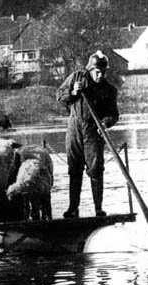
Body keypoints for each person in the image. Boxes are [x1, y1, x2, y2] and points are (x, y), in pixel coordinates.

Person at [56, 50, 119, 218]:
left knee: (96, 169)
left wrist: (105, 123)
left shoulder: (109, 90)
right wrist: (73, 92)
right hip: (74, 129)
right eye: (98, 72)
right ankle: (72, 208)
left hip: (94, 132)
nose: (100, 75)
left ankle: (98, 209)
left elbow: (114, 114)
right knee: (74, 169)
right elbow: (60, 95)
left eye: (103, 72)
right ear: (90, 70)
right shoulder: (77, 78)